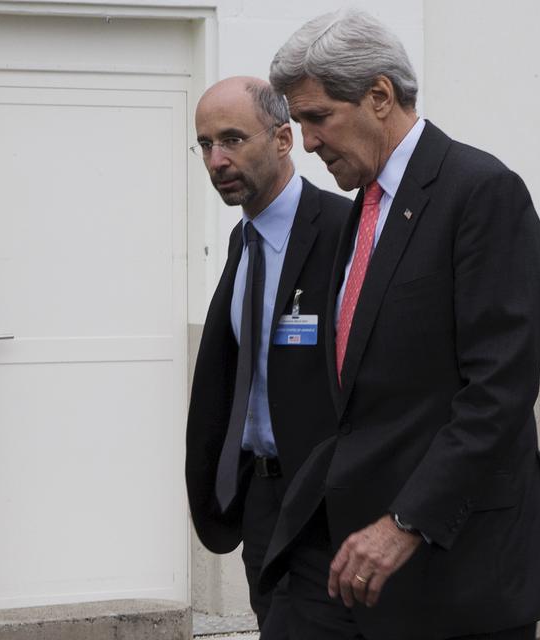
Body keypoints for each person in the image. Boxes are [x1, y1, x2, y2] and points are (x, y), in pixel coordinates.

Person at [260, 10, 540, 640]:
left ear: (379, 95)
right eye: (300, 122)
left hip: (456, 564)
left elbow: (498, 394)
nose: (307, 142)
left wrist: (406, 522)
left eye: (318, 118)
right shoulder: (359, 211)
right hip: (350, 557)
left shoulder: (481, 193)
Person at [184, 76, 350, 637]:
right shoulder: (243, 240)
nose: (217, 160)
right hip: (261, 499)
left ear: (283, 139)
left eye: (232, 139)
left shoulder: (343, 232)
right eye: (205, 144)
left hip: (324, 507)